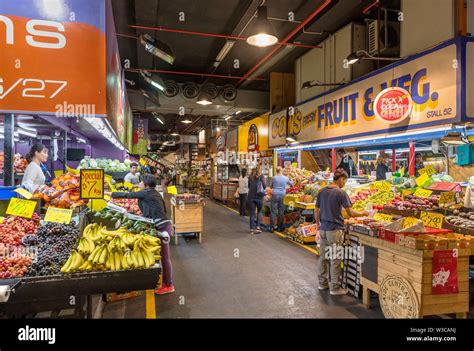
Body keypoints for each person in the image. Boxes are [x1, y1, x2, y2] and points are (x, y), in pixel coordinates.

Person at [106, 174, 175, 295]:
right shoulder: (154, 193)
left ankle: (169, 285)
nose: (139, 184)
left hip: (163, 227)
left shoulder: (147, 192)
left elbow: (128, 195)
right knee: (163, 256)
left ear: (146, 184)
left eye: (141, 182)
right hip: (163, 225)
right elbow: (160, 210)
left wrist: (109, 194)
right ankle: (165, 282)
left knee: (165, 256)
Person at [314, 170, 368, 296]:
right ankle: (334, 288)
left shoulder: (322, 191)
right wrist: (363, 213)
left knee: (323, 258)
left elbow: (316, 210)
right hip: (335, 230)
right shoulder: (341, 193)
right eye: (345, 180)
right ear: (341, 179)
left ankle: (322, 284)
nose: (345, 183)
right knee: (335, 259)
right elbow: (350, 213)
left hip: (323, 229)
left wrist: (318, 225)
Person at [269, 166, 293, 232]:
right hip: (282, 195)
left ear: (276, 171)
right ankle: (279, 227)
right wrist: (291, 180)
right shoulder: (285, 178)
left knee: (273, 211)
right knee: (281, 211)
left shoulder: (273, 178)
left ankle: (272, 227)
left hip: (275, 195)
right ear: (281, 170)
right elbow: (291, 184)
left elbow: (270, 186)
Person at [247, 166, 266, 234]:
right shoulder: (262, 177)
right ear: (260, 171)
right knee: (259, 211)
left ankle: (251, 229)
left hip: (251, 196)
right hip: (259, 197)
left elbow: (249, 186)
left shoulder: (250, 177)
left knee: (252, 213)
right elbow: (264, 186)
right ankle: (258, 227)